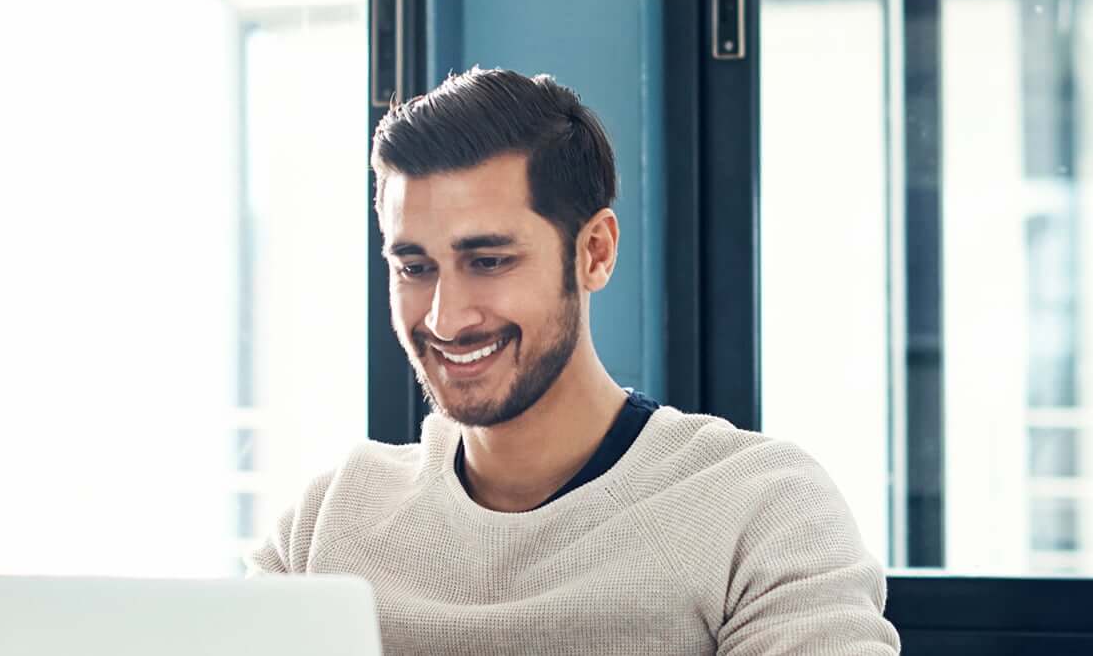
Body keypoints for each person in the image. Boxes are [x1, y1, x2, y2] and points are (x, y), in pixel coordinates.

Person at [247, 67, 900, 655]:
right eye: (415, 267)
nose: (445, 317)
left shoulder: (758, 508)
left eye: (489, 261)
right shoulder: (324, 527)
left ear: (594, 252)